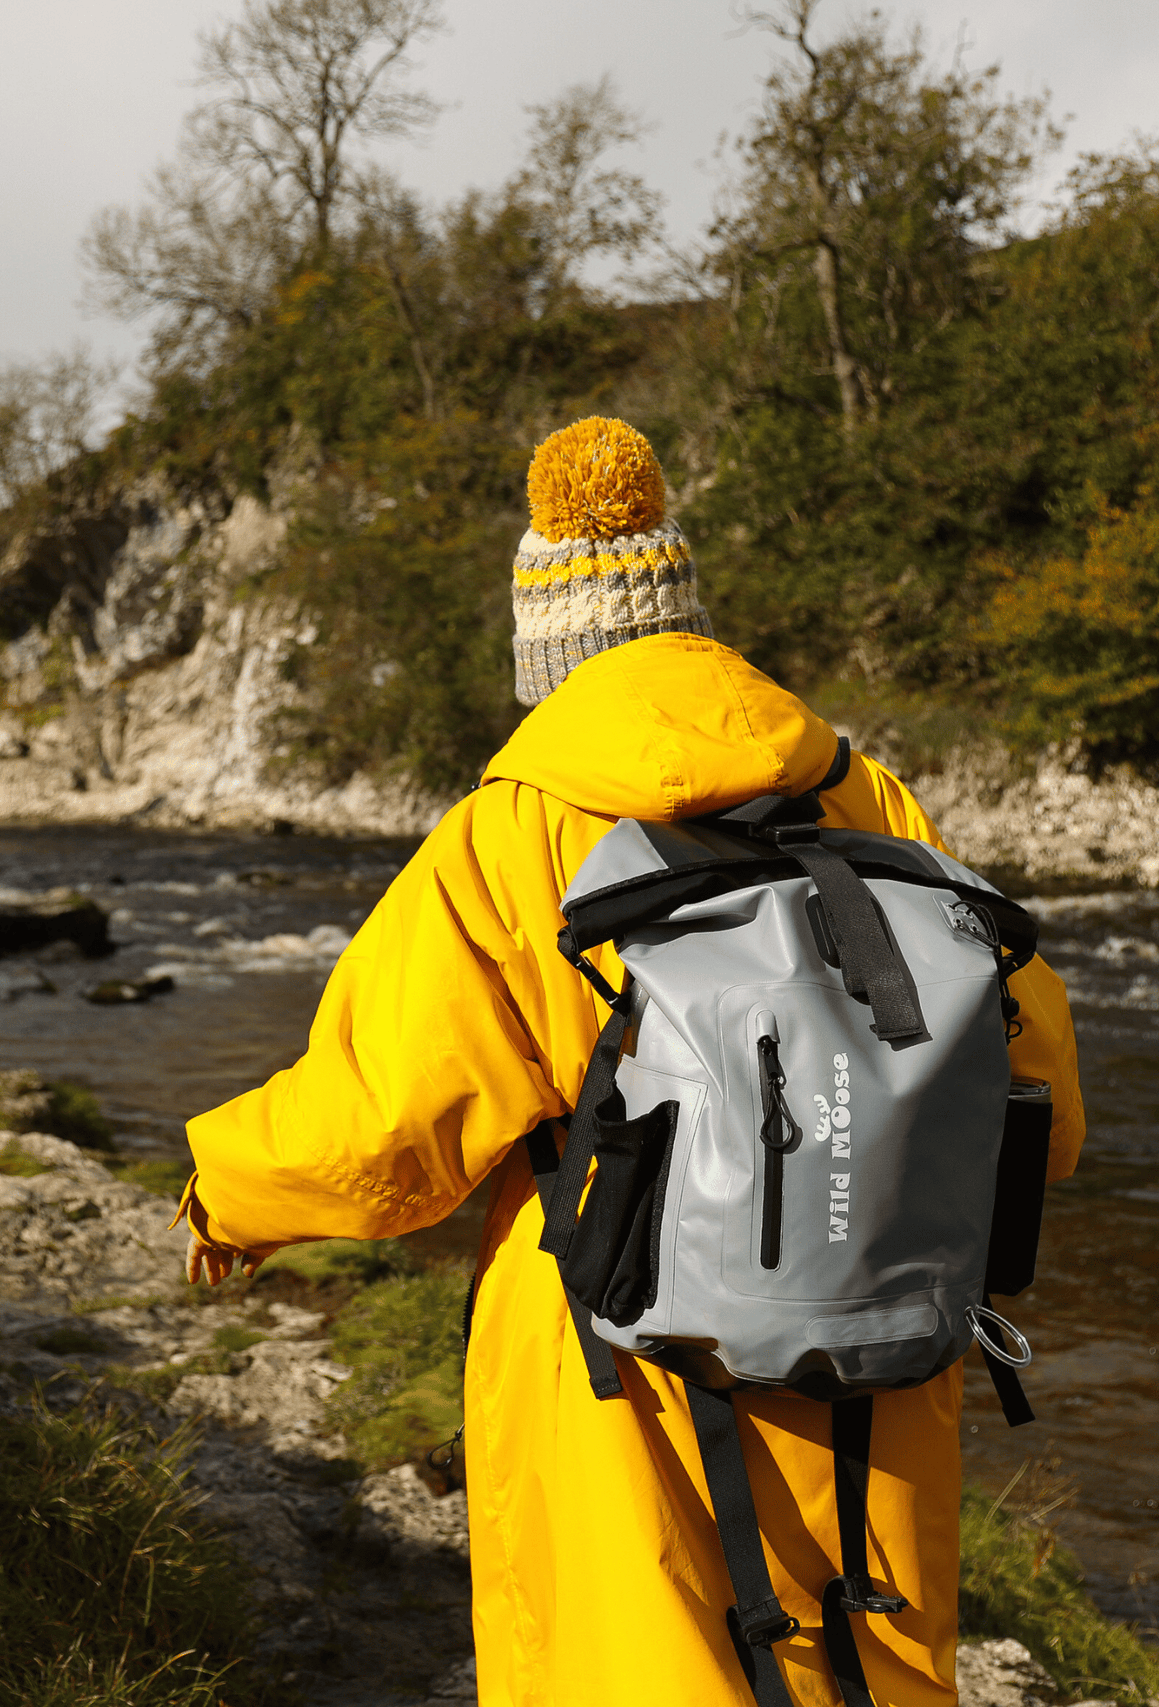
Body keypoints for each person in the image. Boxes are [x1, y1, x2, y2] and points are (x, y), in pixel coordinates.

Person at [176, 417, 1084, 1707]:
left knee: (638, 1656)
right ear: (690, 619)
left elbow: (382, 1120)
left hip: (625, 1342)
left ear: (544, 653)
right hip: (879, 1337)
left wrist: (228, 1190)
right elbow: (1036, 1078)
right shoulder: (866, 795)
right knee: (858, 1661)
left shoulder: (515, 833)